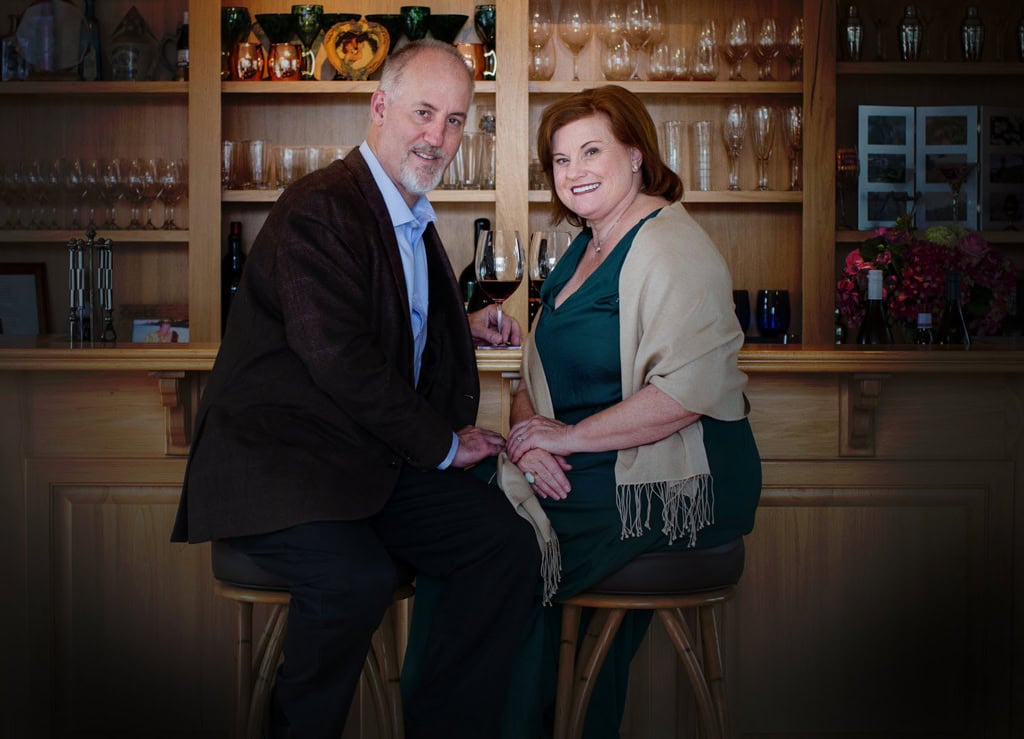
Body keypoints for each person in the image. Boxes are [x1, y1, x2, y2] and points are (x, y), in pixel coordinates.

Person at [170, 40, 539, 739]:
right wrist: (440, 443)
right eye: (423, 113)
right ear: (379, 107)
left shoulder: (405, 212)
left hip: (360, 460)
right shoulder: (320, 206)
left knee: (503, 544)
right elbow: (339, 357)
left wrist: (460, 323)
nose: (438, 136)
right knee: (356, 578)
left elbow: (373, 321)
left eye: (455, 120)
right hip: (279, 465)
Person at [499, 85, 763, 737]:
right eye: (560, 160)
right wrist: (531, 443)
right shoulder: (580, 253)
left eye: (592, 151)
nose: (574, 172)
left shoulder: (671, 246)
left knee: (493, 536)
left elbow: (682, 394)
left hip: (680, 479)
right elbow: (529, 372)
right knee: (482, 513)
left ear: (638, 154)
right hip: (601, 462)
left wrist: (566, 440)